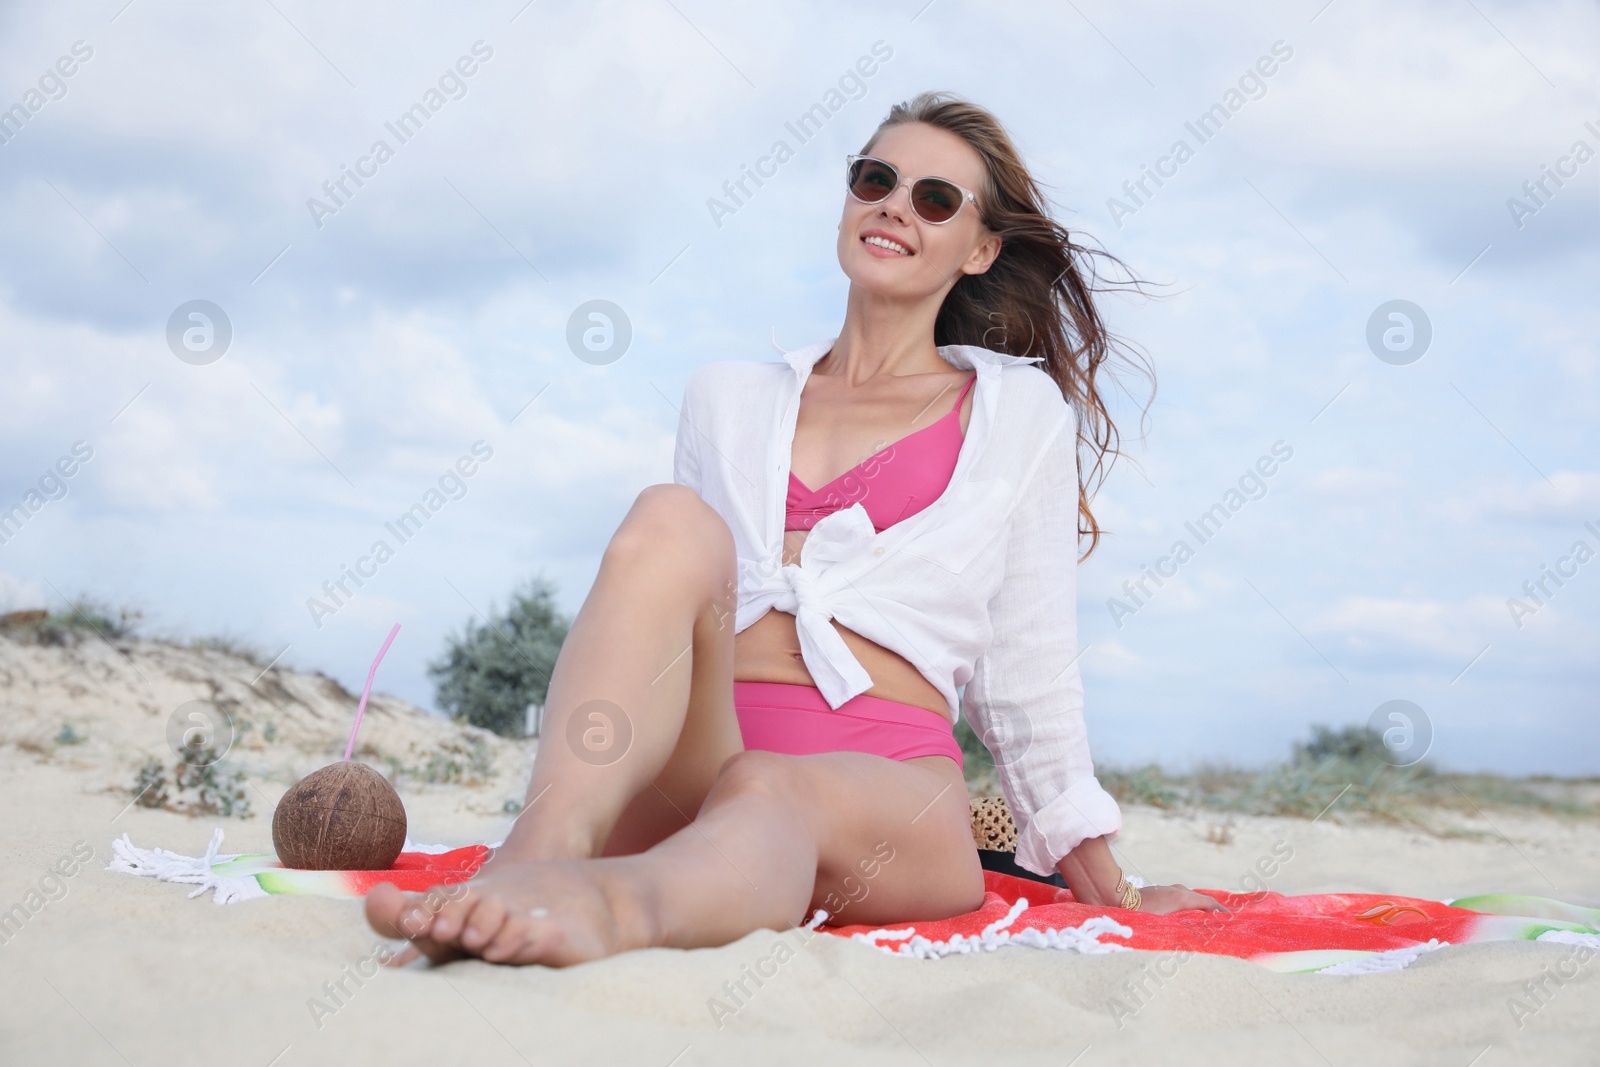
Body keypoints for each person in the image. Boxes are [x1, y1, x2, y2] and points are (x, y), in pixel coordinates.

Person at [367, 90, 1224, 967]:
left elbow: (1028, 675)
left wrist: (1108, 886)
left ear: (981, 249)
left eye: (936, 199)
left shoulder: (1016, 414)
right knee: (667, 519)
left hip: (891, 803)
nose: (894, 204)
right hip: (699, 767)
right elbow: (664, 617)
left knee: (771, 784)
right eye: (875, 179)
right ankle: (533, 854)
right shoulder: (726, 397)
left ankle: (614, 911)